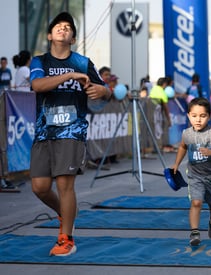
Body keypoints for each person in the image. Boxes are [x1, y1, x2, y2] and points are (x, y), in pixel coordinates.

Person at [29, 12, 111, 256]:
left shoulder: (83, 62)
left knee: (65, 184)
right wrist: (69, 76)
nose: (63, 29)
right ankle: (66, 215)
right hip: (44, 131)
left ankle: (67, 239)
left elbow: (105, 91)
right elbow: (37, 86)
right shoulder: (39, 61)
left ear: (73, 38)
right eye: (58, 26)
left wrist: (100, 90)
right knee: (40, 187)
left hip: (72, 130)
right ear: (49, 35)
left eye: (68, 27)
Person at [171, 97, 211, 246]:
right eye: (194, 116)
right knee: (196, 202)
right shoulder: (187, 134)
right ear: (189, 116)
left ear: (209, 116)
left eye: (202, 116)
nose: (198, 120)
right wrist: (176, 164)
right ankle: (194, 232)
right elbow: (183, 147)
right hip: (194, 175)